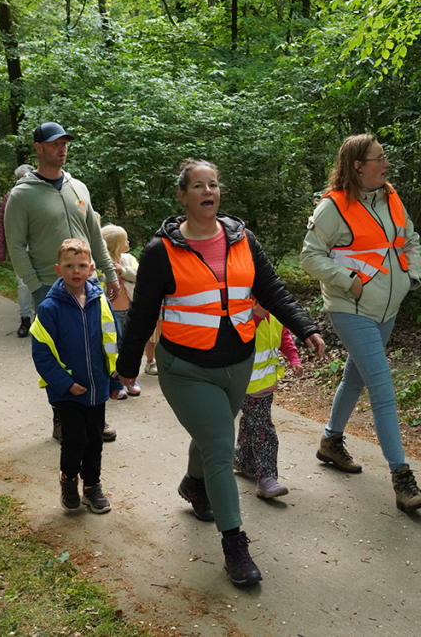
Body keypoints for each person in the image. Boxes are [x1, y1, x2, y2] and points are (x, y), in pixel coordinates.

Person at [115, 159, 325, 587]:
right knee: (219, 446)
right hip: (185, 368)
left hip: (237, 362)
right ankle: (235, 545)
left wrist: (304, 327)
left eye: (213, 184)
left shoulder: (242, 238)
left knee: (212, 437)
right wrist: (127, 364)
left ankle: (194, 485)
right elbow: (140, 315)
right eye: (197, 185)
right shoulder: (162, 251)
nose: (207, 191)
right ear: (183, 195)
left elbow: (271, 288)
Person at [300, 133, 421, 514]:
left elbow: (411, 240)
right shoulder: (333, 206)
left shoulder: (390, 196)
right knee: (382, 388)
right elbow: (310, 258)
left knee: (355, 377)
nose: (386, 164)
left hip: (388, 308)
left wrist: (413, 277)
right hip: (350, 308)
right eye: (380, 158)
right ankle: (402, 478)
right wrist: (349, 282)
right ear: (358, 165)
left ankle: (330, 441)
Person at [4, 122, 121, 441]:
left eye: (65, 142)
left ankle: (97, 417)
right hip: (50, 289)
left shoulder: (78, 187)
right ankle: (62, 419)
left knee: (97, 349)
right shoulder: (22, 195)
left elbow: (95, 236)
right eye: (55, 143)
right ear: (39, 148)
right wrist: (35, 285)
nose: (62, 148)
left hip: (91, 286)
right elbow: (15, 246)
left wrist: (109, 273)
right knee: (60, 354)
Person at [31, 239, 122, 513]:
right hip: (67, 391)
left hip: (97, 388)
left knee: (95, 441)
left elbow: (112, 342)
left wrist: (115, 379)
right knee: (75, 440)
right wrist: (66, 384)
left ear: (91, 268)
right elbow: (42, 354)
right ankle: (68, 480)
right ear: (59, 270)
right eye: (69, 266)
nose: (76, 271)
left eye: (82, 266)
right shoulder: (50, 308)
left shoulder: (100, 301)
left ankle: (92, 487)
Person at [234, 299, 303, 499]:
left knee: (252, 423)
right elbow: (239, 337)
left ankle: (243, 461)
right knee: (263, 429)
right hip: (245, 384)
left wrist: (293, 358)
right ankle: (266, 478)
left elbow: (283, 336)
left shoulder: (275, 311)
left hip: (264, 385)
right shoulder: (243, 309)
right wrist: (256, 315)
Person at [0, 164, 35, 338]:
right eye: (19, 179)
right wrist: (0, 251)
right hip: (19, 247)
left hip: (40, 246)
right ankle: (25, 318)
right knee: (24, 285)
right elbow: (2, 226)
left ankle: (43, 320)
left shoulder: (41, 195)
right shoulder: (10, 197)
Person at [100, 223, 141, 399]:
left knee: (129, 347)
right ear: (114, 246)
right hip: (110, 314)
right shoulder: (100, 263)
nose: (128, 242)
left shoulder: (129, 259)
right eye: (125, 241)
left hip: (129, 311)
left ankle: (131, 380)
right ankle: (116, 382)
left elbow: (140, 275)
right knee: (112, 347)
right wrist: (109, 272)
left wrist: (123, 271)